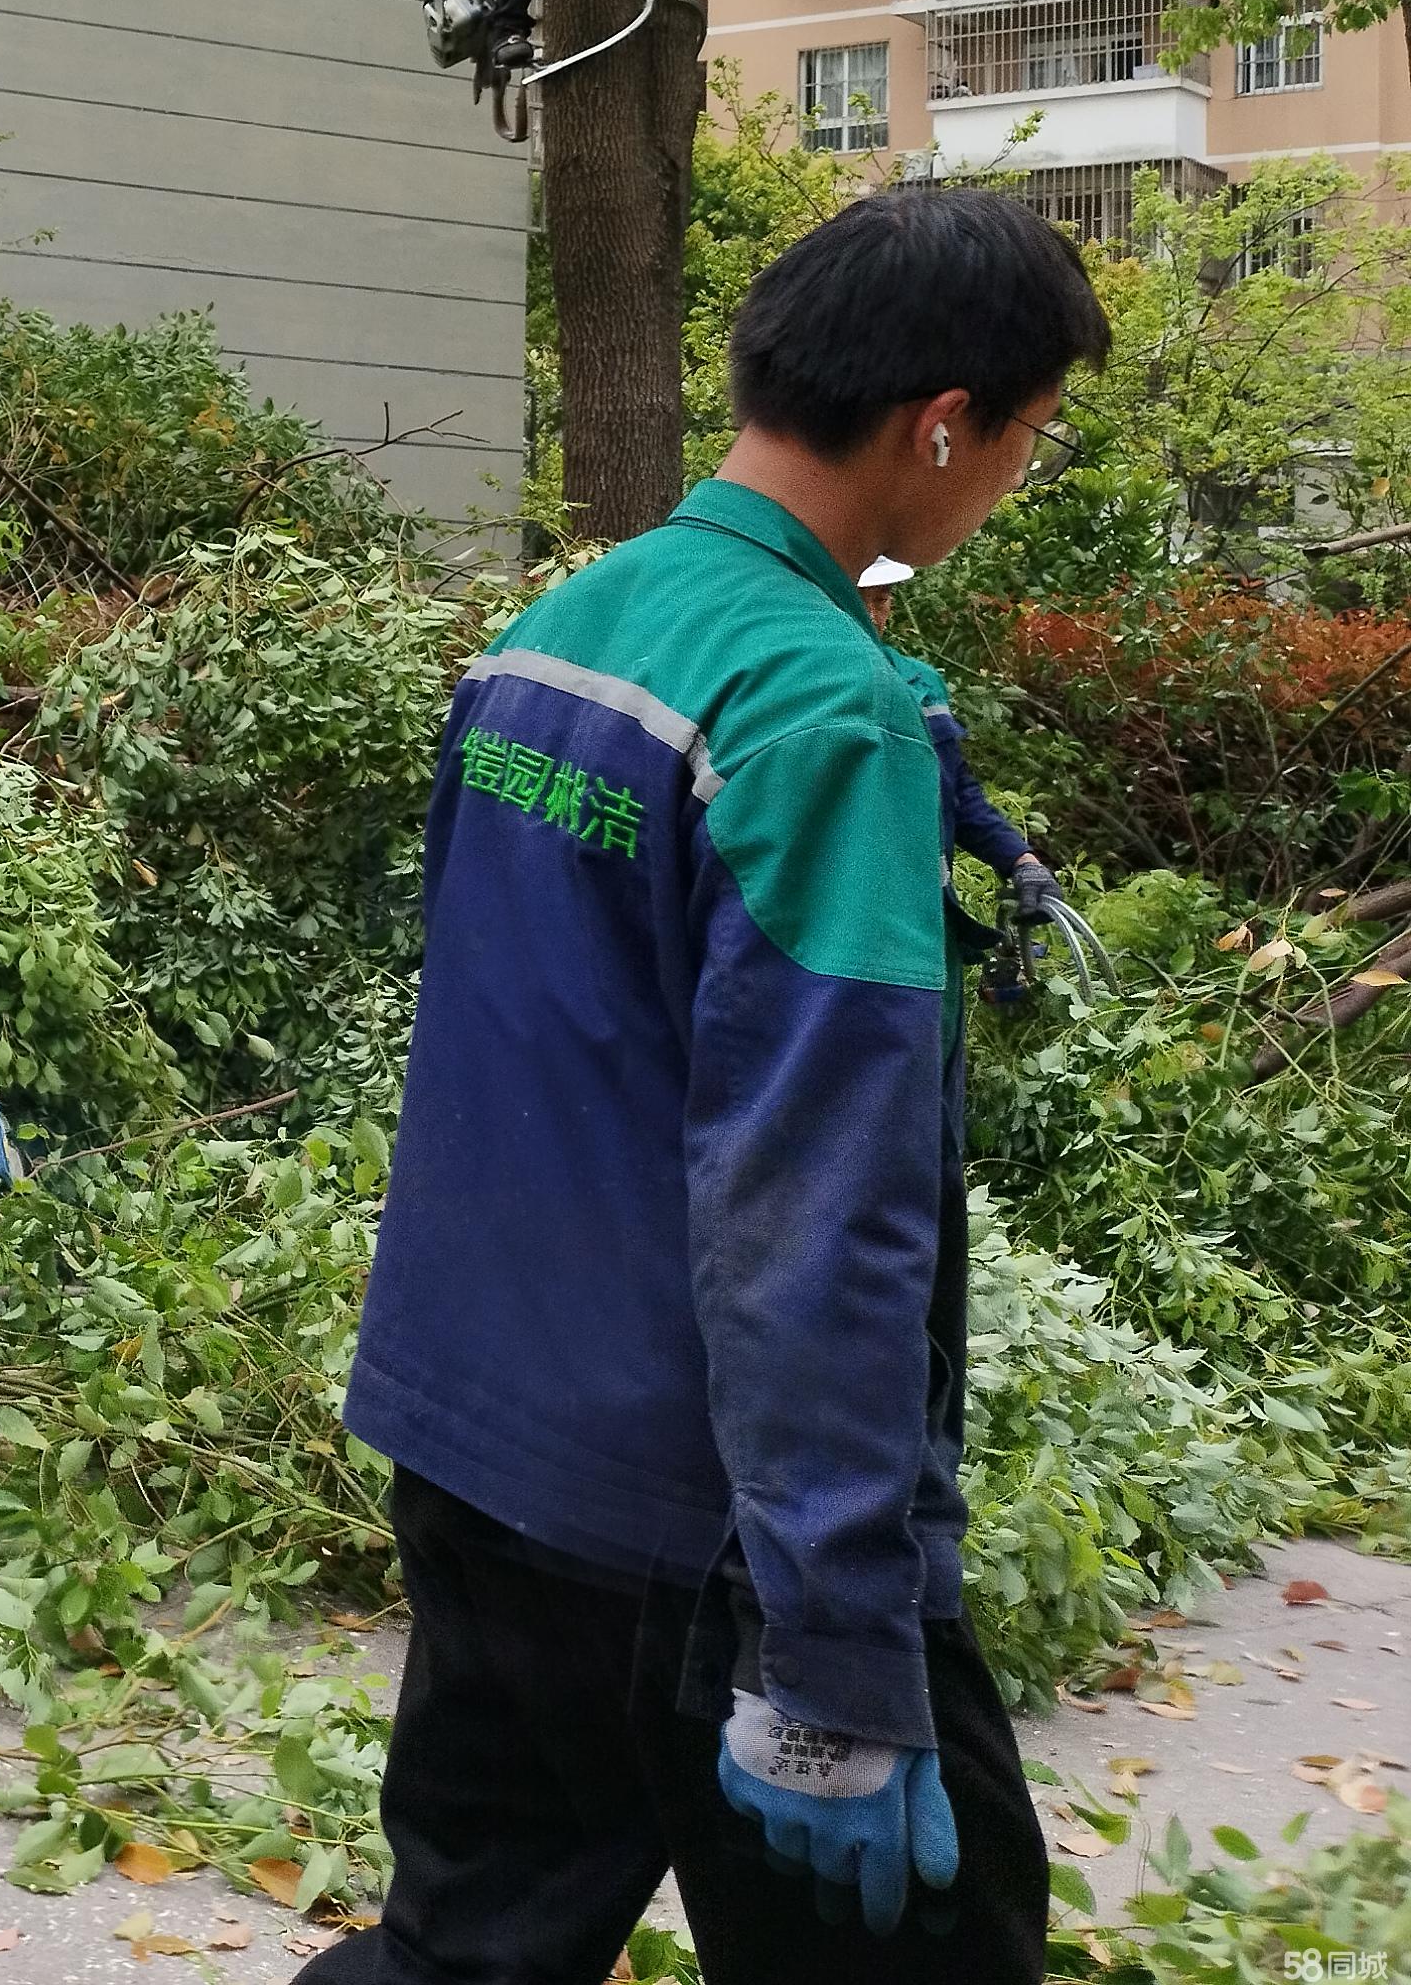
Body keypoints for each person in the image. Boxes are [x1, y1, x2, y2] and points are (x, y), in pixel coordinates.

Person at [309, 189, 1110, 1984]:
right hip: (695, 1531)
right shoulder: (819, 711)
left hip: (472, 1439)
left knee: (465, 1948)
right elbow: (817, 1214)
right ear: (943, 428)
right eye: (1029, 445)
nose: (1007, 487)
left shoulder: (566, 630)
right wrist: (833, 1654)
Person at [856, 558, 1062, 951]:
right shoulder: (806, 687)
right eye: (856, 600)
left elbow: (956, 793)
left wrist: (1022, 862)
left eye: (880, 600)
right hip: (848, 924)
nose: (870, 616)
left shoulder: (921, 683)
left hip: (930, 920)